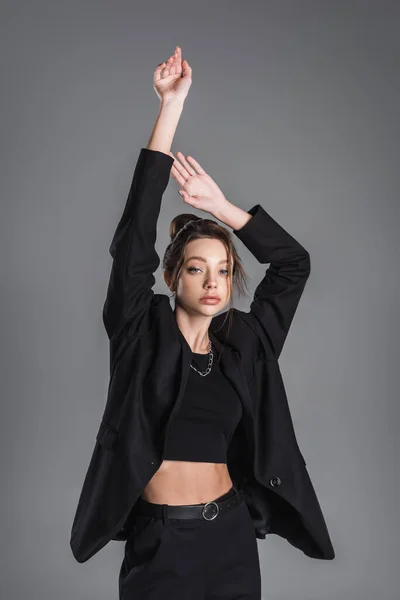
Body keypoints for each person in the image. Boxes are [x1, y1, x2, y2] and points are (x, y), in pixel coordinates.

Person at [70, 45, 335, 600]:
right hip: (160, 541)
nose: (213, 282)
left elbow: (293, 265)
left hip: (231, 537)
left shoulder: (247, 342)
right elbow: (134, 241)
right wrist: (171, 107)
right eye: (197, 269)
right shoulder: (139, 332)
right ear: (173, 278)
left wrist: (225, 210)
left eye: (223, 269)